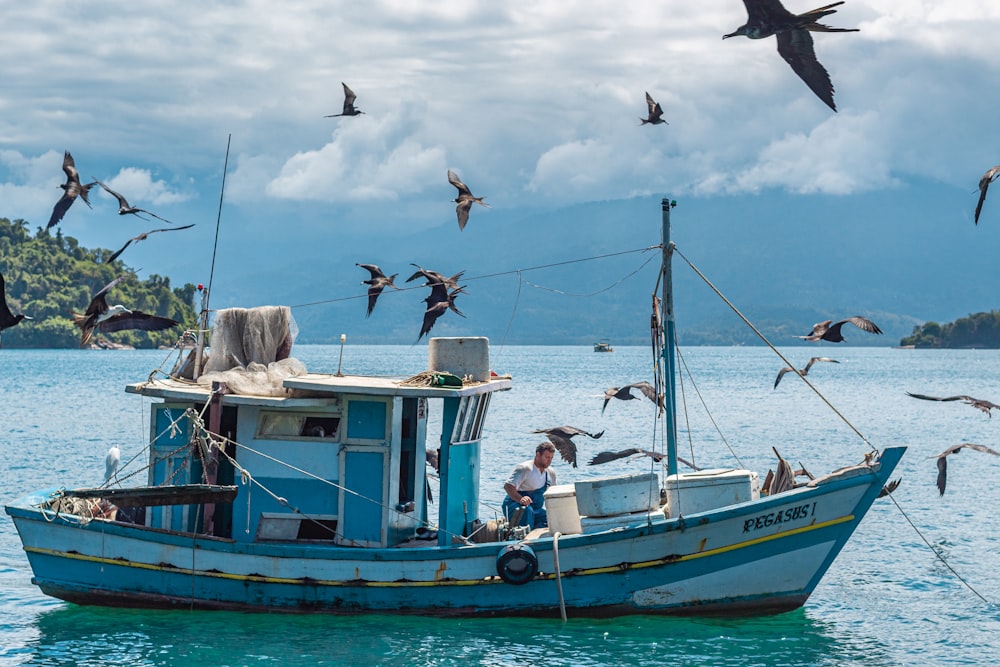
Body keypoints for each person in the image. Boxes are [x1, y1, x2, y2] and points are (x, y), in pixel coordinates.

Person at [502, 441, 557, 530]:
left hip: (535, 509)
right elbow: (508, 486)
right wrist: (521, 499)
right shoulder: (525, 468)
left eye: (551, 458)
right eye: (547, 457)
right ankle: (523, 538)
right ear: (538, 454)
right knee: (527, 511)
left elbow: (553, 493)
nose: (549, 461)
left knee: (549, 517)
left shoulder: (550, 473)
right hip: (515, 506)